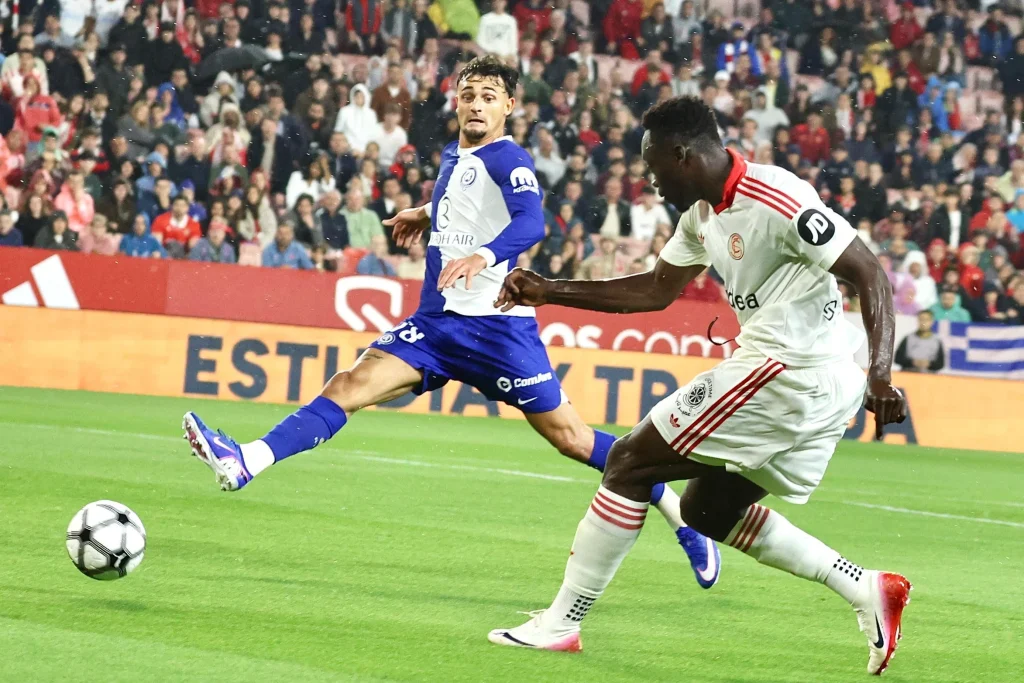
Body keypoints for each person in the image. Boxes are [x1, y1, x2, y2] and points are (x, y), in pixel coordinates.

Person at [182, 57, 719, 590]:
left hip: (497, 332)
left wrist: (484, 256)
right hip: (437, 325)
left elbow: (531, 220)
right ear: (456, 102)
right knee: (348, 386)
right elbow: (460, 195)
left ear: (509, 105)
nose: (477, 104)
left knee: (574, 441)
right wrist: (425, 210)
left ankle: (683, 520)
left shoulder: (510, 159)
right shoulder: (453, 153)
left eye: (489, 95)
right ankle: (246, 460)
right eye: (469, 95)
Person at [489, 96, 911, 676]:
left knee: (632, 463)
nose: (651, 178)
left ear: (683, 155)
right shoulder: (702, 216)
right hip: (809, 384)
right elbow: (654, 291)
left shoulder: (777, 197)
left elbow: (869, 271)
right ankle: (867, 589)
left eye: (654, 164)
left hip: (789, 371)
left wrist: (883, 373)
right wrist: (551, 290)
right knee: (706, 510)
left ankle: (562, 623)